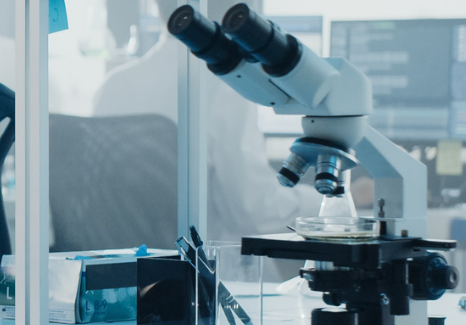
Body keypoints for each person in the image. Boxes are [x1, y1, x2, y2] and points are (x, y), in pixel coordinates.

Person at [89, 36, 313, 243]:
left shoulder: (112, 85)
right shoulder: (227, 84)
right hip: (203, 275)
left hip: (127, 273)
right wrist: (329, 205)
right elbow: (253, 211)